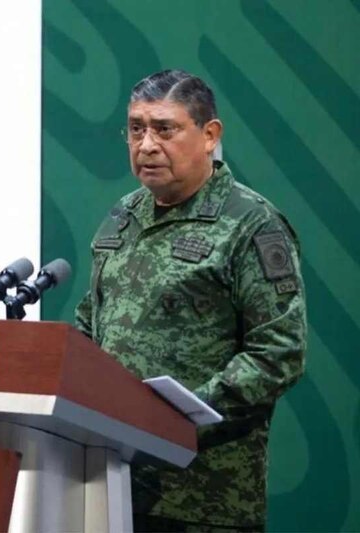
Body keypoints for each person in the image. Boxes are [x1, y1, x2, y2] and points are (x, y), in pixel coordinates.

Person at [74, 69, 306, 532]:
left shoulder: (251, 224)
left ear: (209, 135)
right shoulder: (122, 216)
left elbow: (278, 353)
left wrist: (174, 420)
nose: (146, 145)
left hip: (203, 499)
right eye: (136, 128)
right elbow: (90, 322)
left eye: (165, 128)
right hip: (109, 486)